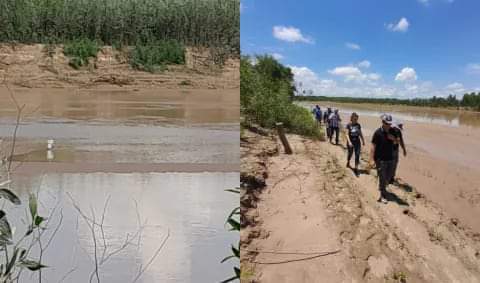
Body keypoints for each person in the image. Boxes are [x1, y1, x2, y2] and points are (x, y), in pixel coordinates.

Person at [369, 114, 397, 204]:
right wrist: (371, 159)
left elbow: (397, 141)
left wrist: (392, 138)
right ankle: (382, 195)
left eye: (389, 123)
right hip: (380, 160)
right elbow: (373, 146)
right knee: (382, 177)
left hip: (390, 158)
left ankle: (382, 187)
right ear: (383, 122)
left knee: (388, 177)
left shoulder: (392, 131)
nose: (388, 125)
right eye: (386, 123)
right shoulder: (377, 132)